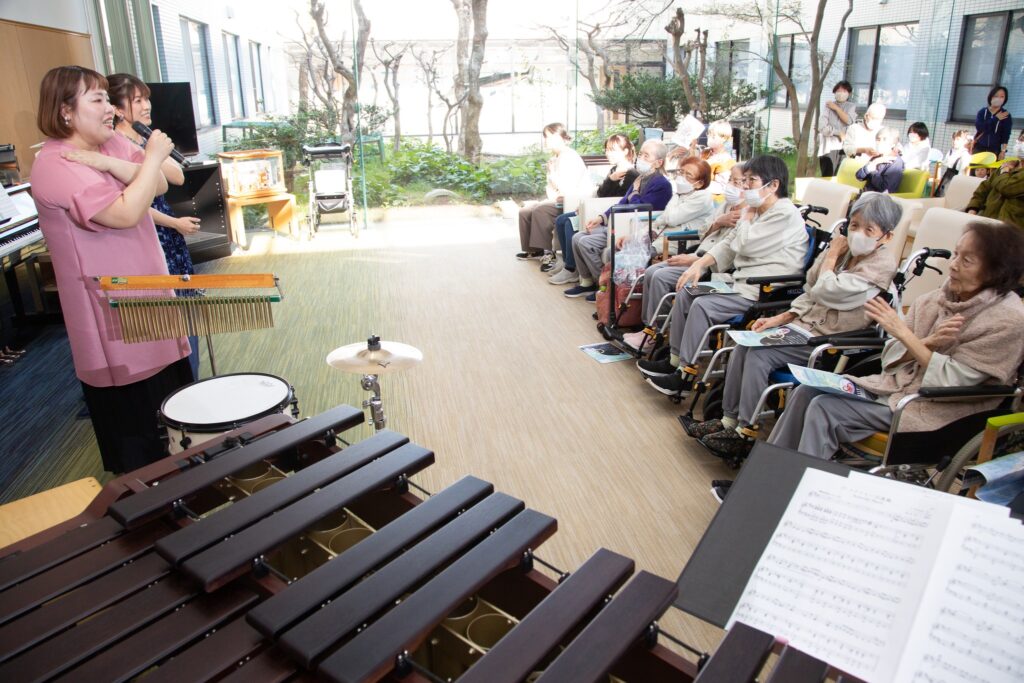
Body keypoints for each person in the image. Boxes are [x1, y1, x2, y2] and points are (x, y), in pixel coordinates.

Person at [30, 65, 192, 474]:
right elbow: (124, 213)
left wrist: (130, 166)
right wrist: (151, 159)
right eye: (98, 99)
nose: (110, 109)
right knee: (141, 443)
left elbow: (158, 186)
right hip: (110, 312)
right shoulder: (55, 164)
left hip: (150, 294)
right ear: (65, 110)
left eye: (107, 98)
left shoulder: (110, 143)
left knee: (177, 423)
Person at [768, 221, 1024, 459]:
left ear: (996, 272)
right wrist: (928, 342)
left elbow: (953, 383)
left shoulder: (1006, 320)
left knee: (824, 407)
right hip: (893, 388)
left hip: (936, 410)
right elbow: (889, 359)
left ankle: (799, 482)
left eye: (966, 260)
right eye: (955, 254)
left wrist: (905, 334)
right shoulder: (932, 301)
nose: (953, 265)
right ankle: (770, 470)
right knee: (806, 392)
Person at [692, 193, 901, 458]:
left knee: (758, 356)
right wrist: (782, 317)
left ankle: (744, 430)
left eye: (868, 230)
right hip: (803, 327)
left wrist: (830, 256)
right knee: (743, 344)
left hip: (831, 340)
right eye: (854, 225)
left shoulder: (880, 266)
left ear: (886, 236)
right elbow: (811, 287)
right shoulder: (846, 252)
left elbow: (828, 289)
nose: (857, 233)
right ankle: (728, 421)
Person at [639, 155, 809, 396]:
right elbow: (728, 244)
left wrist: (746, 217)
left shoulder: (784, 214)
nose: (745, 186)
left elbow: (745, 244)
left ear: (773, 185)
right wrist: (700, 264)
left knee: (702, 305)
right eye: (744, 180)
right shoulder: (759, 210)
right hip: (740, 282)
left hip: (763, 290)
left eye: (751, 180)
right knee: (687, 291)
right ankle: (675, 360)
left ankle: (686, 375)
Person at [107, 73, 201, 380]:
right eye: (137, 100)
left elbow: (178, 177)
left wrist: (151, 148)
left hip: (167, 232)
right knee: (163, 311)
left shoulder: (146, 140)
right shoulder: (113, 146)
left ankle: (191, 372)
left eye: (146, 98)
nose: (146, 105)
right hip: (145, 230)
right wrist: (174, 222)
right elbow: (130, 204)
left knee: (185, 303)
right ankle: (175, 377)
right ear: (118, 110)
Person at [619, 154, 720, 351]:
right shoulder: (680, 194)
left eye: (688, 175)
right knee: (621, 254)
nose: (681, 177)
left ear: (700, 182)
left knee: (647, 268)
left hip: (678, 243)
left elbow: (672, 218)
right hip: (663, 238)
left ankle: (652, 329)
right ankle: (639, 322)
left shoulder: (701, 198)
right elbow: (662, 220)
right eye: (681, 172)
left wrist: (665, 220)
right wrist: (637, 236)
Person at [563, 139, 673, 300]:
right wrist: (601, 218)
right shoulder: (640, 178)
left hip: (632, 227)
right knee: (578, 237)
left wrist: (634, 193)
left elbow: (642, 209)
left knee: (586, 242)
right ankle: (587, 282)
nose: (641, 158)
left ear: (658, 162)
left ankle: (603, 286)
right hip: (618, 222)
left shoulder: (662, 184)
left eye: (646, 156)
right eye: (641, 154)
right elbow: (622, 202)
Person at [548, 134, 638, 285]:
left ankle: (571, 268)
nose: (608, 153)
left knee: (569, 222)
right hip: (598, 208)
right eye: (607, 149)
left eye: (613, 150)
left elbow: (619, 199)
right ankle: (567, 262)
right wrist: (610, 179)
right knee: (560, 220)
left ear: (625, 151)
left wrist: (609, 182)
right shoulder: (614, 170)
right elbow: (601, 193)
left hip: (607, 214)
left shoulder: (631, 174)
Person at [517, 122, 589, 261]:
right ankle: (534, 250)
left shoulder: (569, 156)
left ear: (562, 138)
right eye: (546, 137)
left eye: (550, 137)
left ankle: (548, 252)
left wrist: (552, 174)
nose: (546, 140)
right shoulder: (556, 157)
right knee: (525, 211)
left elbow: (566, 189)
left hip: (571, 201)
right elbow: (551, 189)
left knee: (540, 210)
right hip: (558, 199)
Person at [966, 158, 1023, 227]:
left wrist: (1004, 171)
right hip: (987, 219)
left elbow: (1007, 188)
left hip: (1011, 226)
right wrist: (973, 208)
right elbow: (984, 188)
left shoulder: (1004, 168)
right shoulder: (1007, 165)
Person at [818, 80, 856, 177]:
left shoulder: (851, 107)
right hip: (828, 147)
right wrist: (838, 133)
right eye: (839, 90)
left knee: (841, 176)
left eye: (844, 91)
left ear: (849, 93)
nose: (841, 93)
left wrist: (836, 108)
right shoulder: (828, 106)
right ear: (834, 92)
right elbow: (822, 127)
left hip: (844, 147)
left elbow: (849, 121)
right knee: (828, 176)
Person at [855, 127, 904, 194]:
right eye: (878, 139)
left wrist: (873, 170)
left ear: (892, 144)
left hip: (878, 198)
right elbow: (859, 176)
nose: (880, 142)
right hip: (866, 195)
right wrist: (874, 162)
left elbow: (885, 189)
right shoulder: (877, 157)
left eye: (884, 140)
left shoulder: (895, 162)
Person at [974, 85, 1012, 160]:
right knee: (976, 167)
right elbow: (980, 128)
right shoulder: (983, 112)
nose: (999, 99)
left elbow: (1006, 135)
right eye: (996, 96)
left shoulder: (1005, 115)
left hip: (995, 151)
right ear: (991, 97)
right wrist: (996, 119)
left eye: (1002, 97)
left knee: (992, 168)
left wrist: (1003, 151)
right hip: (979, 149)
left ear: (1005, 99)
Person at [702, 120, 737, 193]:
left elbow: (721, 187)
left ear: (724, 138)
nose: (709, 137)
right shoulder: (706, 152)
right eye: (708, 134)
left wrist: (699, 185)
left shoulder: (726, 160)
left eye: (713, 136)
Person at [936, 130, 973, 197]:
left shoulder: (965, 155)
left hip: (955, 180)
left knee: (946, 197)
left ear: (965, 141)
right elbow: (946, 163)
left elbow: (962, 173)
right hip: (947, 177)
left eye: (958, 139)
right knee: (940, 195)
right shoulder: (952, 151)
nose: (954, 141)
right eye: (954, 139)